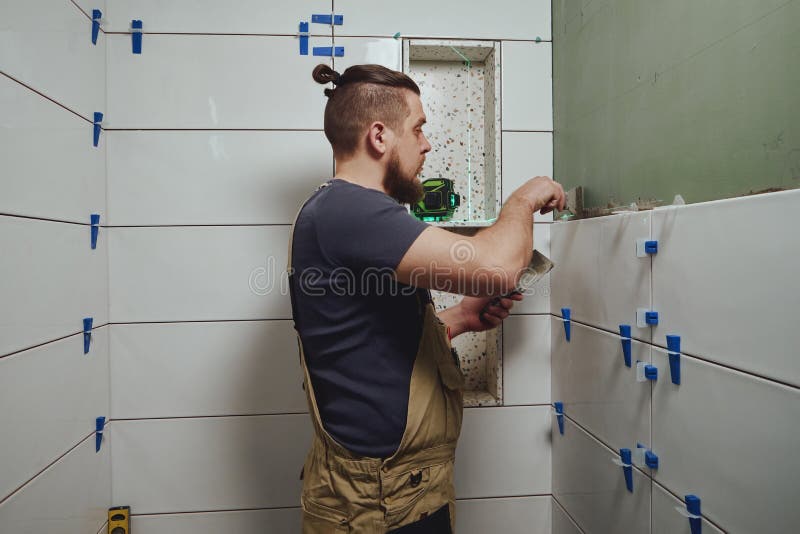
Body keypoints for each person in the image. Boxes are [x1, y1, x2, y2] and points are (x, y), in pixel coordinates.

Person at [287, 63, 565, 533]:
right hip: (379, 504)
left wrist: (457, 317)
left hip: (391, 493)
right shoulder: (350, 210)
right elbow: (497, 268)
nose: (427, 143)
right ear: (379, 136)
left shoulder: (340, 213)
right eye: (417, 128)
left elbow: (364, 337)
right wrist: (523, 200)